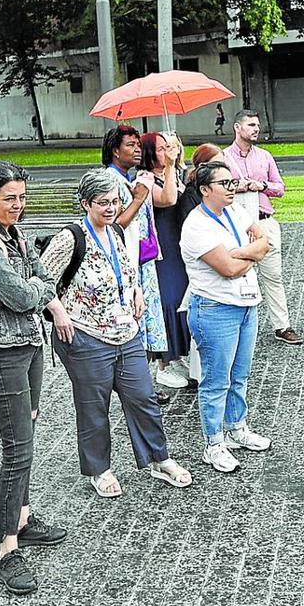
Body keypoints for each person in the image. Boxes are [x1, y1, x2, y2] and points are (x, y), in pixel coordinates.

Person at [40, 169, 192, 497]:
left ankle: (157, 458)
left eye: (115, 202)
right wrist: (59, 313)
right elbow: (41, 280)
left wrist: (136, 291)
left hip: (125, 330)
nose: (110, 208)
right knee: (93, 405)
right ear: (85, 203)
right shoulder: (71, 237)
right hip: (85, 333)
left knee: (143, 398)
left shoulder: (116, 232)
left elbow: (126, 269)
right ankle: (99, 469)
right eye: (103, 203)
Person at [0, 162, 65, 596]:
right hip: (0, 352)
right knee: (17, 448)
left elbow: (45, 279)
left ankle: (21, 517)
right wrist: (38, 290)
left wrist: (37, 288)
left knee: (27, 437)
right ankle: (7, 548)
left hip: (29, 344)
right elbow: (25, 293)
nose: (18, 206)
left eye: (22, 197)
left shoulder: (13, 235)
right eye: (9, 199)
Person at [180, 161, 272, 473]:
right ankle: (213, 443)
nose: (232, 187)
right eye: (224, 183)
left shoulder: (236, 212)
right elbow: (228, 269)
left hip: (247, 304)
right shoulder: (196, 225)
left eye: (232, 181)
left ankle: (237, 428)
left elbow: (264, 243)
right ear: (205, 190)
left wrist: (242, 253)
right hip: (216, 309)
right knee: (216, 380)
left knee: (240, 374)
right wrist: (250, 255)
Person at [223, 110, 303, 346]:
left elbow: (280, 188)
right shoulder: (224, 157)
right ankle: (238, 327)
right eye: (250, 125)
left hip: (264, 220)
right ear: (237, 128)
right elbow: (214, 186)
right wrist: (238, 186)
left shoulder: (265, 156)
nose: (256, 129)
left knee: (273, 276)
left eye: (257, 125)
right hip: (237, 224)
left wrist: (262, 185)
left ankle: (283, 326)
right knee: (238, 275)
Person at [100, 127, 170, 365]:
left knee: (143, 318)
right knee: (133, 318)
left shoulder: (129, 178)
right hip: (126, 260)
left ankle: (143, 381)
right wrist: (139, 198)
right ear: (115, 151)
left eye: (139, 145)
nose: (138, 149)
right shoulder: (110, 181)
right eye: (131, 145)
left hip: (141, 257)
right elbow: (113, 226)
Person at [139, 131, 190, 388]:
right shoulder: (145, 179)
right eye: (160, 148)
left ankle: (178, 354)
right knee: (167, 299)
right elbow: (168, 199)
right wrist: (170, 166)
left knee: (182, 297)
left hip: (177, 242)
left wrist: (175, 159)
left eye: (166, 147)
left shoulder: (170, 173)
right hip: (162, 246)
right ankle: (163, 363)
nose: (165, 152)